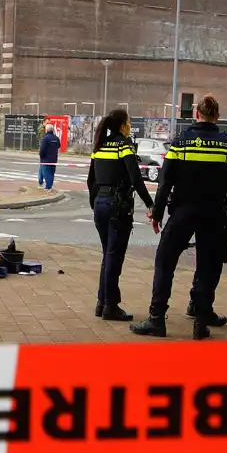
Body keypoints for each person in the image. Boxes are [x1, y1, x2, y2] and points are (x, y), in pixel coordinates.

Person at [131, 95, 227, 340]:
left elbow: (165, 180)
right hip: (215, 214)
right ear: (217, 115)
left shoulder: (181, 143)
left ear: (196, 114)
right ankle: (201, 321)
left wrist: (157, 212)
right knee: (208, 265)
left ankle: (157, 318)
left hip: (183, 212)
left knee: (165, 261)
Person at [86, 109, 154, 321]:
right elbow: (135, 178)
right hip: (118, 206)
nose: (130, 126)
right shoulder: (124, 146)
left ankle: (101, 301)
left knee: (108, 254)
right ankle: (111, 306)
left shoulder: (99, 146)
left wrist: (95, 203)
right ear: (123, 125)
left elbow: (91, 180)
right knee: (114, 257)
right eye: (129, 122)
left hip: (101, 204)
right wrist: (151, 204)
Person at [39, 124, 61, 190]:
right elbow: (59, 145)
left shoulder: (45, 138)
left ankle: (48, 187)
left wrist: (41, 156)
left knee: (46, 173)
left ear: (46, 130)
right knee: (51, 173)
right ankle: (47, 185)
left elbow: (42, 149)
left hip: (45, 159)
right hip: (54, 159)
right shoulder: (56, 138)